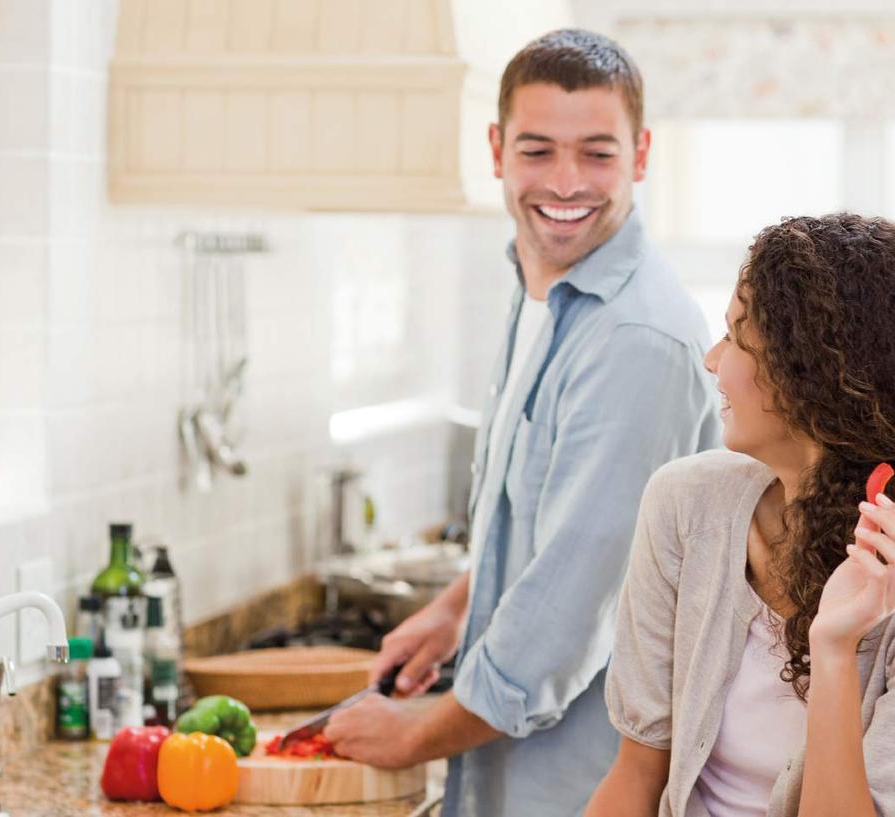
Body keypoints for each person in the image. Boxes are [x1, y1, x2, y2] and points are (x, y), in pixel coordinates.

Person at [324, 29, 721, 817]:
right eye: (538, 150)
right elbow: (539, 521)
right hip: (512, 776)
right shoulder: (546, 289)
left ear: (641, 155)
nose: (566, 183)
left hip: (580, 788)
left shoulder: (633, 339)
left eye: (597, 154)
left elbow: (566, 616)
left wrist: (410, 733)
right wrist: (452, 611)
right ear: (497, 149)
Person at [584, 212, 895, 817]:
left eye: (735, 334)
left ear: (809, 373)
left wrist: (833, 649)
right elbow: (636, 776)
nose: (711, 360)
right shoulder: (686, 503)